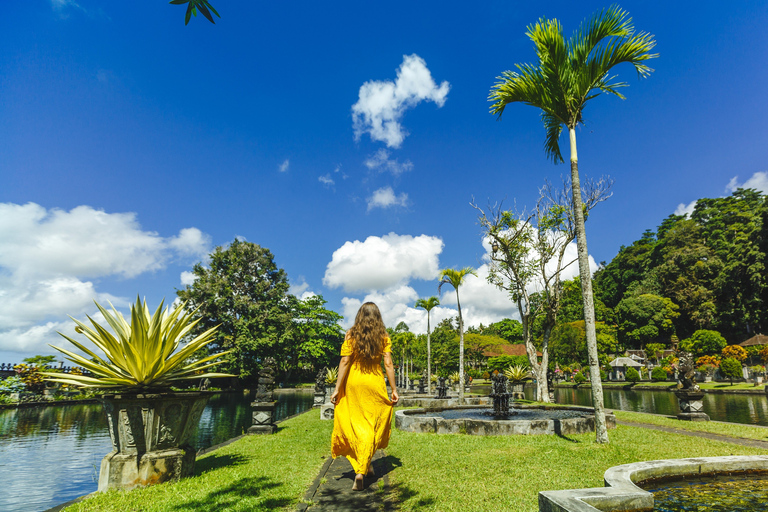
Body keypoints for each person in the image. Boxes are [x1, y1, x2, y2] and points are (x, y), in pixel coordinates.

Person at [330, 302, 399, 491]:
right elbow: (389, 363)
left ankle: (362, 469)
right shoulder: (384, 336)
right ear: (378, 317)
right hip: (374, 382)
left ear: (359, 315)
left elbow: (345, 361)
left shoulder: (351, 335)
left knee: (357, 425)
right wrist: (393, 388)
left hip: (355, 382)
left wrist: (337, 388)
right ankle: (364, 468)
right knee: (373, 425)